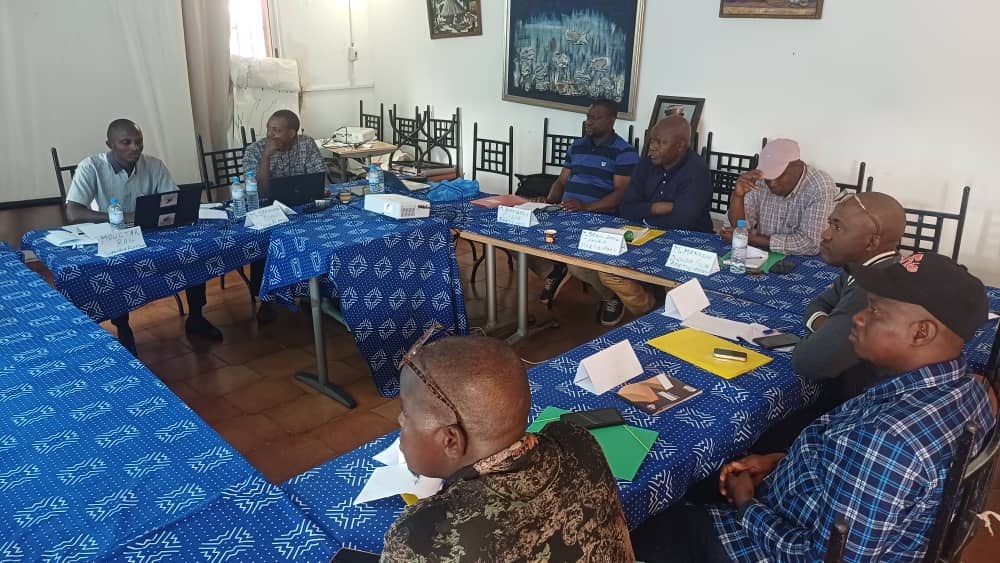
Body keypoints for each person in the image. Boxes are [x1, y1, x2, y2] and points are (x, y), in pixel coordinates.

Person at [631, 252, 995, 562]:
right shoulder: (968, 389)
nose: (858, 317)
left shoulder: (888, 440)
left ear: (921, 332)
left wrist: (746, 507)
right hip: (808, 500)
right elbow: (855, 470)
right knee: (702, 474)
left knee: (642, 526)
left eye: (875, 311)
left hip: (762, 546)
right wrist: (780, 461)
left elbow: (821, 558)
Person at [381, 333, 634, 562]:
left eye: (407, 414)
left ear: (451, 440)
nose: (400, 420)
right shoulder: (577, 440)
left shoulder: (421, 537)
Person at [65, 119, 222, 354]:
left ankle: (197, 317)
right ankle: (123, 328)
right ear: (110, 144)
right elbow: (73, 212)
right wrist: (122, 216)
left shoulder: (154, 165)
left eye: (139, 141)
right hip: (115, 237)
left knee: (192, 252)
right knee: (114, 268)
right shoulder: (91, 166)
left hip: (151, 233)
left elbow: (174, 200)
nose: (135, 147)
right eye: (126, 142)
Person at [596, 115, 714, 322]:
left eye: (660, 142)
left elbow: (682, 221)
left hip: (687, 244)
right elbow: (626, 208)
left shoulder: (697, 171)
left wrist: (644, 213)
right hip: (643, 238)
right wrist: (656, 208)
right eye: (652, 140)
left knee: (677, 293)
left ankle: (667, 315)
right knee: (606, 271)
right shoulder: (647, 163)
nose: (652, 147)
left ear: (680, 146)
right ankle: (649, 312)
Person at [530, 99, 640, 316]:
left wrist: (587, 207)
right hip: (566, 213)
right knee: (520, 236)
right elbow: (562, 181)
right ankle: (553, 269)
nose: (589, 121)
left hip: (599, 218)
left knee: (577, 263)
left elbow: (621, 193)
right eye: (589, 116)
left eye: (596, 117)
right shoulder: (577, 146)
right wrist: (549, 201)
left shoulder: (624, 151)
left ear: (612, 120)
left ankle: (611, 296)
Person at [242, 109, 326, 323]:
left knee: (317, 236)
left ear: (291, 133)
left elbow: (318, 178)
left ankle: (312, 293)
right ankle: (266, 299)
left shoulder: (306, 144)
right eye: (269, 129)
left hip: (300, 208)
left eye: (276, 130)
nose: (270, 134)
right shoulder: (255, 150)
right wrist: (266, 157)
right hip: (268, 212)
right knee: (266, 240)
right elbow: (260, 192)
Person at [720, 138, 837, 256]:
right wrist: (738, 196)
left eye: (779, 175)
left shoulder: (820, 186)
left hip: (803, 260)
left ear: (798, 166)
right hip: (760, 255)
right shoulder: (759, 179)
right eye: (768, 176)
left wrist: (751, 239)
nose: (772, 183)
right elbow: (738, 229)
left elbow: (810, 244)